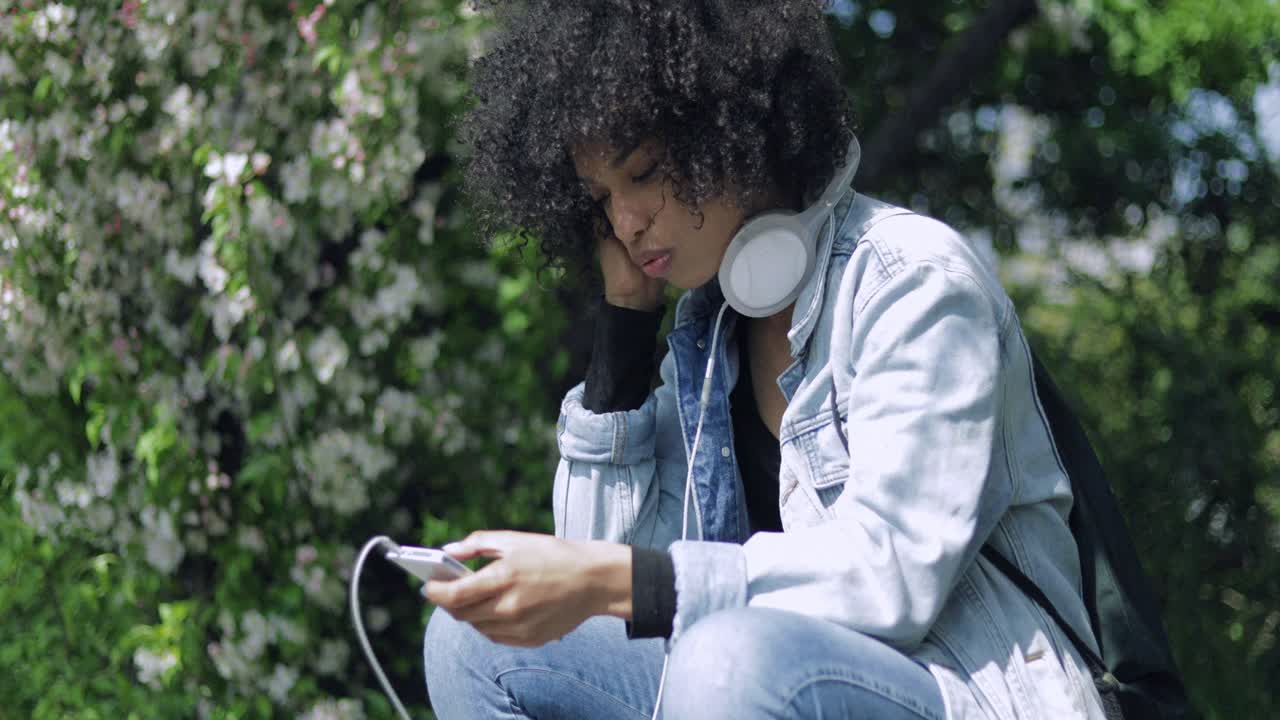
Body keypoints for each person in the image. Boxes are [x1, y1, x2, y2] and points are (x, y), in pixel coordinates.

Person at [422, 1, 1108, 718]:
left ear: (734, 129)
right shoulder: (707, 336)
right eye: (601, 199)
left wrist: (619, 580)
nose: (625, 222)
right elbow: (597, 589)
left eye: (645, 172)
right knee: (473, 640)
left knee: (726, 658)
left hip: (963, 692)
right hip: (749, 685)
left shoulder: (914, 280)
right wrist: (624, 328)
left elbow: (894, 576)